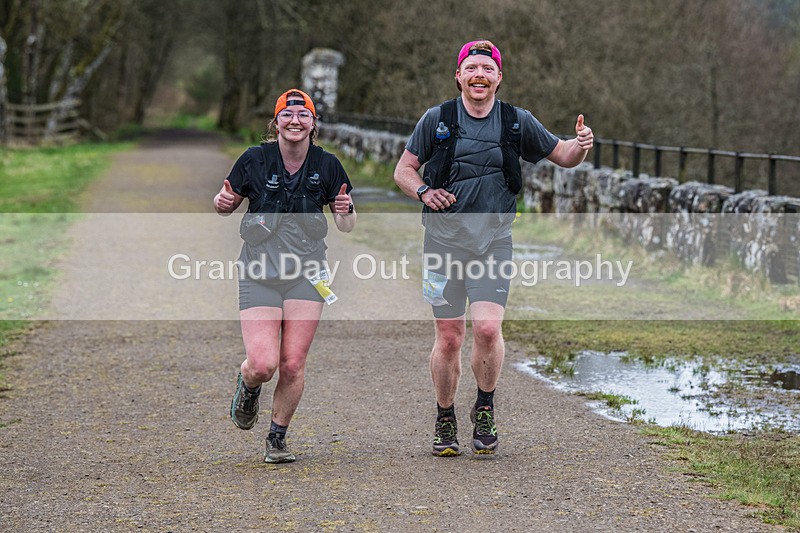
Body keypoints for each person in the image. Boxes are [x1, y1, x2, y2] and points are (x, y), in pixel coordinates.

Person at [394, 40, 593, 456]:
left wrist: (581, 144)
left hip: (493, 243)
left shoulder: (517, 122)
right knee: (449, 337)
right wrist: (425, 191)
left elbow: (563, 155)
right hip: (442, 243)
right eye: (472, 68)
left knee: (487, 329)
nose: (479, 74)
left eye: (487, 68)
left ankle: (484, 408)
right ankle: (444, 417)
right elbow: (404, 170)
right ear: (459, 76)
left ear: (499, 77)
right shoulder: (437, 119)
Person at [214, 88, 356, 463]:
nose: (295, 121)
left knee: (293, 362)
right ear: (275, 123)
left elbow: (346, 224)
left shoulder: (328, 165)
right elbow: (224, 204)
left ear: (313, 124)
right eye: (287, 116)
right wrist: (222, 203)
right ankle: (248, 386)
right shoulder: (254, 160)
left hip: (308, 274)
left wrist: (344, 209)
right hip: (259, 271)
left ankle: (277, 438)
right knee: (263, 364)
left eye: (303, 115)